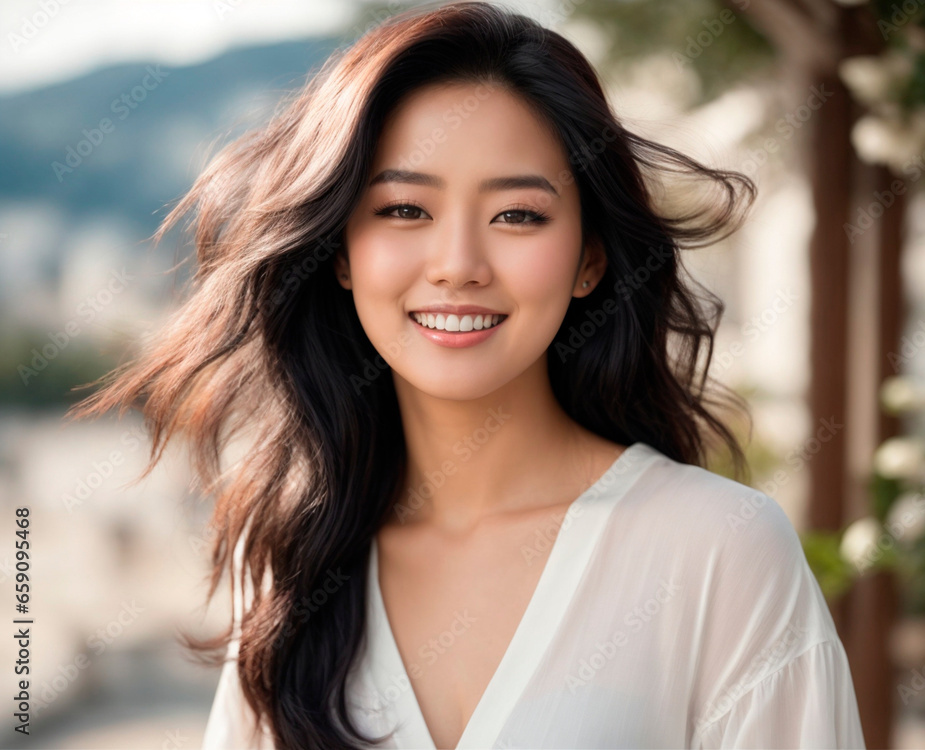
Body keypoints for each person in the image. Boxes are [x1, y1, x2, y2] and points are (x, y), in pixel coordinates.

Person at [69, 1, 867, 748]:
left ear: (591, 257)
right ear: (340, 252)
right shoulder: (298, 556)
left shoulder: (718, 549)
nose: (458, 266)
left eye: (517, 215)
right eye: (404, 211)